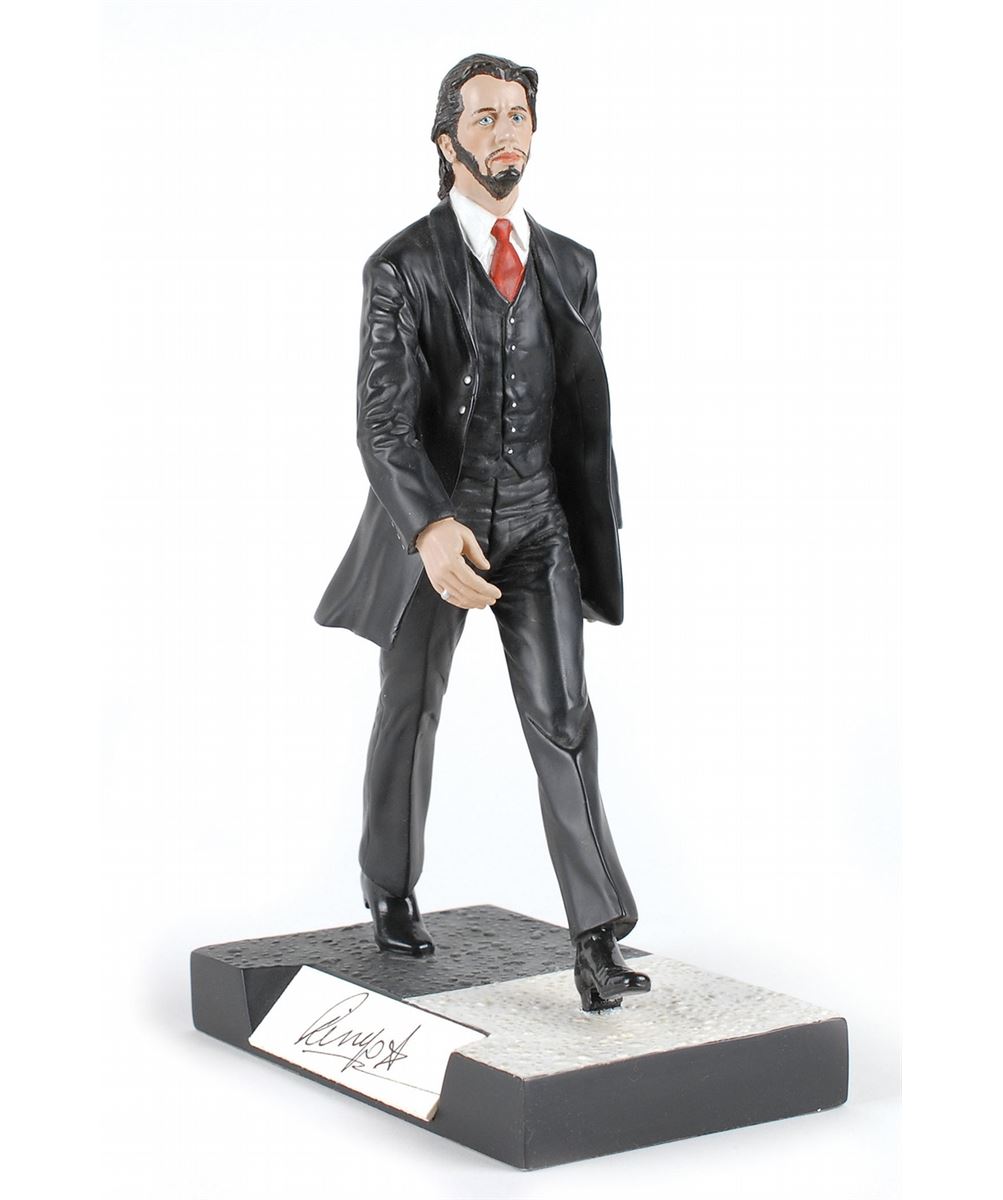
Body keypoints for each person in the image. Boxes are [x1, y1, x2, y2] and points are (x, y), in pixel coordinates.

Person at [315, 53, 650, 1011]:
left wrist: (582, 519)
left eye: (519, 115)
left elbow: (578, 413)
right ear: (446, 140)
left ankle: (596, 935)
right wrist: (426, 527)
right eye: (486, 117)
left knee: (563, 718)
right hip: (441, 526)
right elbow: (381, 422)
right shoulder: (401, 266)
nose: (507, 133)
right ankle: (388, 886)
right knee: (410, 705)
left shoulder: (571, 265)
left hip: (540, 521)